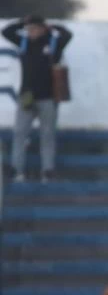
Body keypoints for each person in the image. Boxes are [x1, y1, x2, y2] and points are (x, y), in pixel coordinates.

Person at [2, 15, 72, 183]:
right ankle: (16, 169)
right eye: (29, 29)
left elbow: (67, 35)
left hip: (48, 97)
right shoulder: (24, 42)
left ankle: (47, 170)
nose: (31, 32)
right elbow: (6, 32)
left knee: (47, 134)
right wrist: (21, 22)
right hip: (27, 95)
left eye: (35, 28)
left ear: (42, 29)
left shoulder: (54, 44)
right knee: (20, 133)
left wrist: (53, 26)